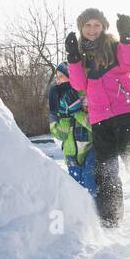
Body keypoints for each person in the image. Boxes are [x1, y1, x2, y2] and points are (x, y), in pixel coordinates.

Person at [65, 9, 130, 226]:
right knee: (106, 169)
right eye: (88, 25)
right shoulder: (80, 55)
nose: (92, 29)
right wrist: (73, 58)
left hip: (124, 112)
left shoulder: (114, 46)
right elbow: (80, 85)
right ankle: (111, 218)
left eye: (97, 25)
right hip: (99, 118)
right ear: (81, 28)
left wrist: (127, 38)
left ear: (104, 26)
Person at [48, 62, 97, 196]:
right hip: (71, 156)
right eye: (56, 77)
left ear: (72, 77)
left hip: (89, 149)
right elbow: (60, 135)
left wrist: (76, 111)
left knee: (90, 186)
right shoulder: (59, 99)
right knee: (78, 193)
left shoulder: (85, 95)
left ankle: (98, 214)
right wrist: (57, 115)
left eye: (61, 76)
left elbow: (95, 126)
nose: (58, 80)